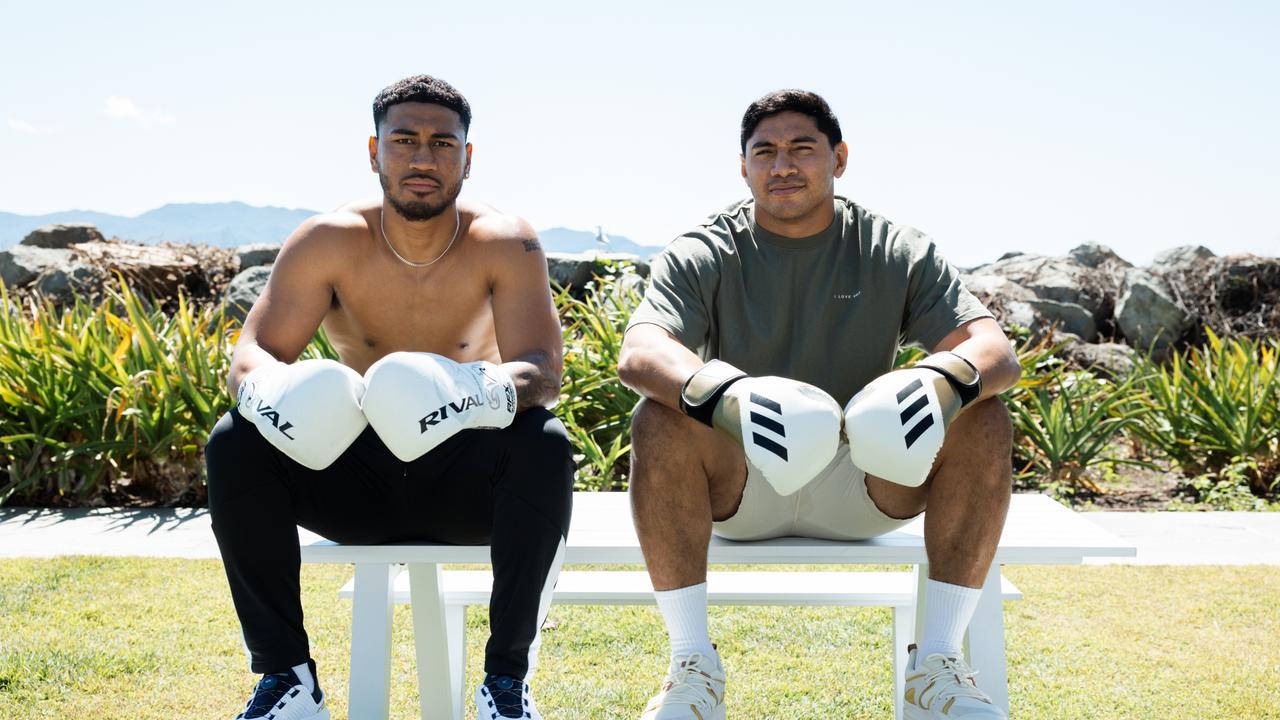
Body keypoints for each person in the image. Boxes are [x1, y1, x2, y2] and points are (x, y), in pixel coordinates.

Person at [617, 89, 1021, 720]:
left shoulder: (894, 247)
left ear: (839, 158)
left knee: (984, 415)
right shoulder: (706, 247)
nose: (783, 166)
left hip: (864, 480)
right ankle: (691, 667)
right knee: (658, 417)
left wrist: (946, 380)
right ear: (743, 166)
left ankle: (937, 663)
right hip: (743, 484)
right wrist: (726, 396)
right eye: (765, 152)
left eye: (802, 148)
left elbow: (993, 347)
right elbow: (642, 349)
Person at [204, 74, 573, 720]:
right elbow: (249, 356)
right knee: (234, 441)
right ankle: (286, 681)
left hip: (468, 487)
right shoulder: (329, 241)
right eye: (404, 140)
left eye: (442, 143)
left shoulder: (506, 243)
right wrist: (273, 393)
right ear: (374, 152)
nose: (423, 159)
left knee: (545, 442)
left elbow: (543, 369)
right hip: (359, 485)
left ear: (468, 156)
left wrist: (470, 390)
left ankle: (506, 688)